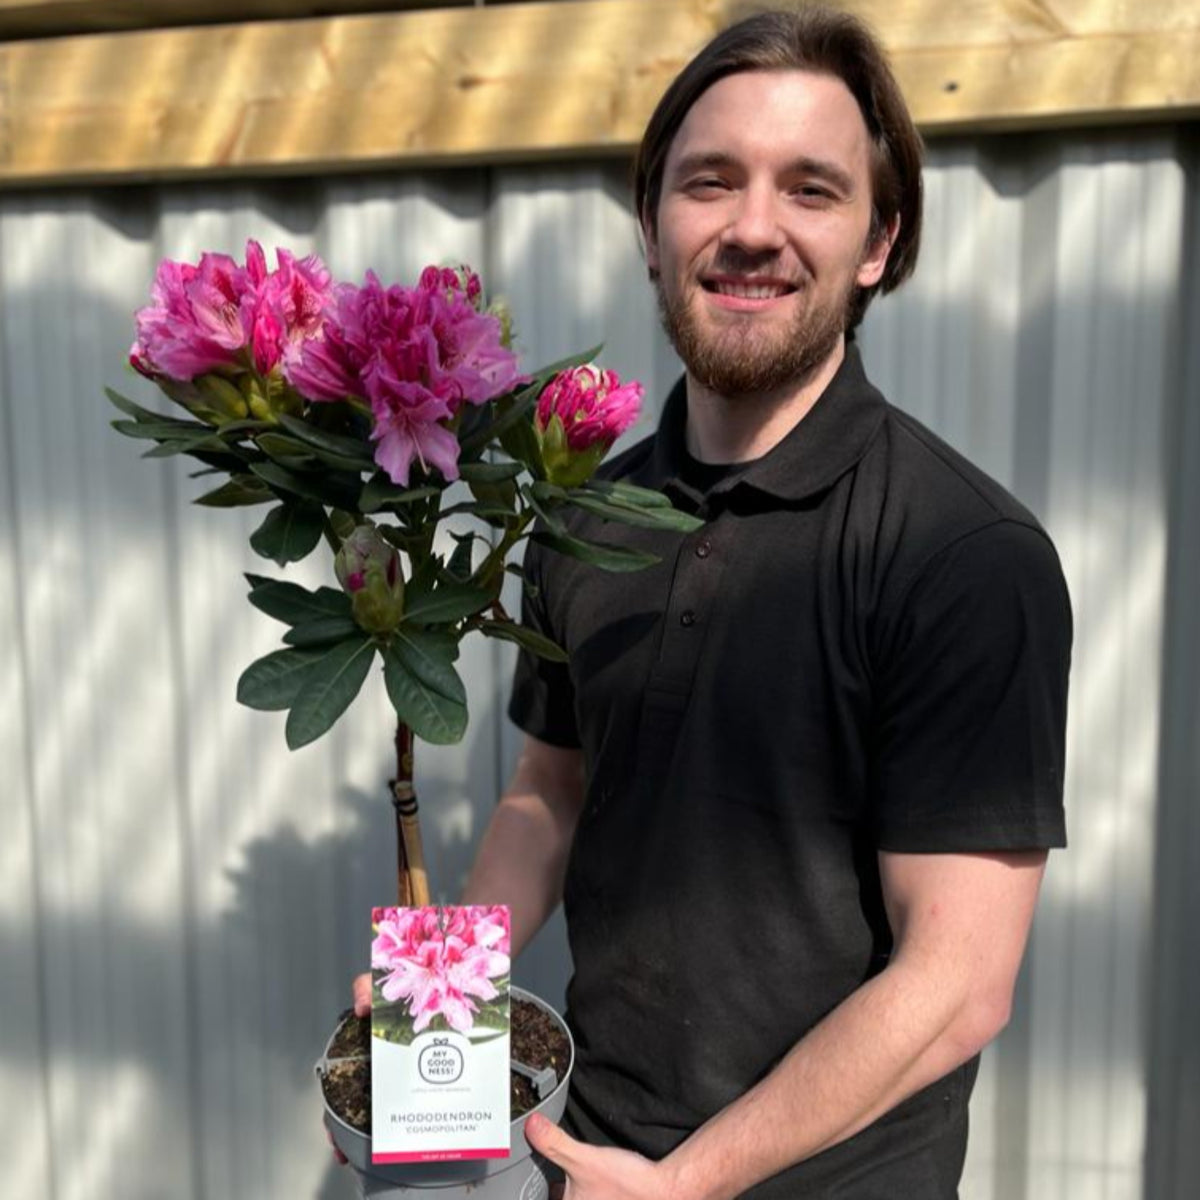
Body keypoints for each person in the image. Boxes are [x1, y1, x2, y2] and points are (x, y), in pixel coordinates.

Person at [354, 8, 1071, 1197]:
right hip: (592, 1157)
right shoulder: (582, 513)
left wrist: (686, 1184)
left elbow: (957, 984)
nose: (751, 228)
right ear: (651, 225)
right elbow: (550, 791)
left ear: (879, 241)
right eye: (710, 181)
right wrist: (440, 992)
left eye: (811, 189)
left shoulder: (964, 555)